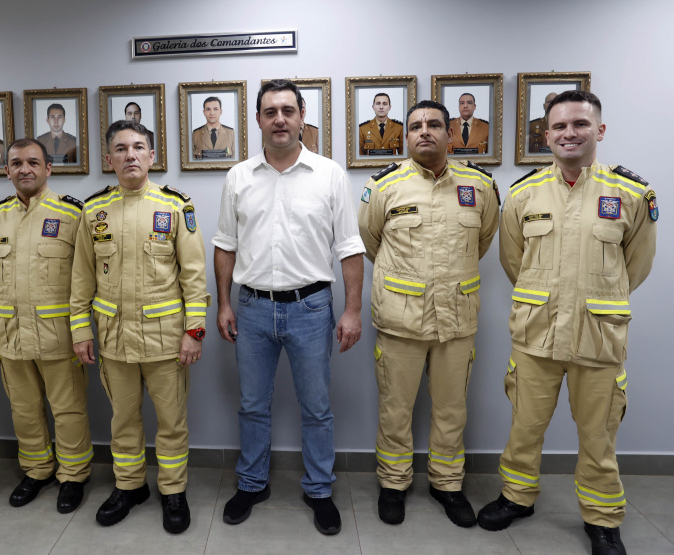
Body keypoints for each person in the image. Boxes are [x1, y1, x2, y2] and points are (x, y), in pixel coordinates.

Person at [478, 90, 656, 555]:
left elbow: (635, 266)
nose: (568, 134)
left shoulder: (632, 194)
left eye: (579, 124)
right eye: (558, 127)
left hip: (598, 337)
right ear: (546, 134)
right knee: (525, 426)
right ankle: (517, 497)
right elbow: (514, 261)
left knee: (599, 436)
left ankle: (602, 520)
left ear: (599, 130)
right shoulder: (522, 193)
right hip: (536, 334)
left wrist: (597, 301)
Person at [214, 79, 365, 536]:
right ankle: (252, 483)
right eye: (269, 111)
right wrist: (223, 303)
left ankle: (319, 489)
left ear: (301, 117)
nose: (279, 119)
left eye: (287, 110)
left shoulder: (330, 174)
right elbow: (224, 246)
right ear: (258, 120)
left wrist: (353, 310)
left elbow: (350, 247)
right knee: (252, 404)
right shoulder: (238, 177)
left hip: (311, 307)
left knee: (317, 406)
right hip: (253, 308)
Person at [357, 100, 499, 528]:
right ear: (407, 134)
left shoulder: (480, 186)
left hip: (456, 319)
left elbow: (485, 238)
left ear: (450, 132)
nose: (425, 132)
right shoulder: (384, 186)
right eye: (416, 125)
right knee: (396, 408)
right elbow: (371, 240)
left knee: (452, 409)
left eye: (434, 124)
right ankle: (394, 483)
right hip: (401, 318)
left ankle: (447, 484)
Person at [70, 120, 209, 534]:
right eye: (121, 149)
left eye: (138, 147)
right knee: (122, 420)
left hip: (167, 339)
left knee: (172, 422)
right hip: (114, 339)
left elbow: (195, 275)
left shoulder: (175, 206)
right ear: (109, 158)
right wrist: (80, 330)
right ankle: (130, 487)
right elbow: (82, 277)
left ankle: (172, 491)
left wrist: (194, 331)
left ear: (152, 156)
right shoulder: (93, 210)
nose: (130, 155)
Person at [0, 139, 92, 514]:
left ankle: (74, 474)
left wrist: (82, 330)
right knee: (23, 409)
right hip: (11, 333)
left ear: (50, 168)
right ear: (7, 170)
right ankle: (36, 469)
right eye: (16, 163)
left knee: (68, 408)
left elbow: (86, 277)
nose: (24, 169)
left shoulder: (72, 214)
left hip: (57, 334)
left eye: (33, 162)